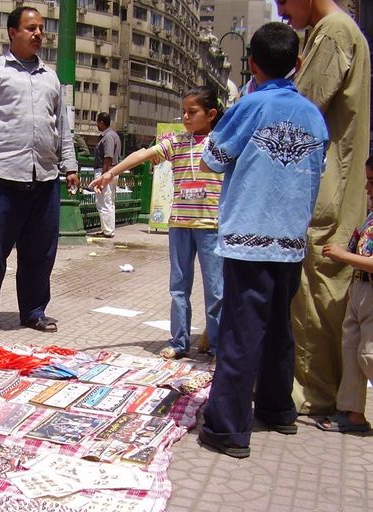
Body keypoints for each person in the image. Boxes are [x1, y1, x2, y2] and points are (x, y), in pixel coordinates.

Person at [198, 22, 329, 458]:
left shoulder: (250, 106)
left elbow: (212, 159)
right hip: (290, 239)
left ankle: (228, 427)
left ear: (251, 62)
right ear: (297, 63)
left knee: (240, 333)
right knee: (278, 329)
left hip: (248, 238)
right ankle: (277, 410)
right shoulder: (314, 115)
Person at [0, 6, 78, 338]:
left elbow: (62, 128)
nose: (38, 34)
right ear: (12, 32)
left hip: (44, 178)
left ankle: (34, 311)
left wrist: (69, 166)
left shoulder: (50, 78)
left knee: (39, 252)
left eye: (41, 28)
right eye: (30, 28)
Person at [276, 0, 371, 415]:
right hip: (335, 180)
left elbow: (301, 110)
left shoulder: (332, 32)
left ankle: (316, 392)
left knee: (317, 285)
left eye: (282, 1)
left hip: (326, 185)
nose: (281, 12)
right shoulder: (334, 30)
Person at [90, 86, 223, 359]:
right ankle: (178, 342)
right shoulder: (177, 142)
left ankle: (219, 345)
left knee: (216, 290)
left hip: (212, 225)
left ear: (210, 114)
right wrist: (110, 174)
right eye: (183, 112)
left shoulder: (223, 143)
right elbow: (142, 155)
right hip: (179, 224)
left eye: (192, 112)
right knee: (178, 287)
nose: (186, 117)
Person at [317, 156, 373, 433]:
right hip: (358, 289)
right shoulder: (370, 215)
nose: (367, 189)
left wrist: (344, 255)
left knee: (368, 355)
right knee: (351, 351)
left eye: (372, 182)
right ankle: (353, 414)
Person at [92, 112, 121, 238]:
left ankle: (108, 231)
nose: (96, 124)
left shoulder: (108, 136)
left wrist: (103, 176)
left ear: (101, 122)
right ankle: (108, 230)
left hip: (106, 171)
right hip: (113, 171)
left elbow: (108, 156)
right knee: (109, 201)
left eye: (97, 121)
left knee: (103, 202)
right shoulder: (114, 135)